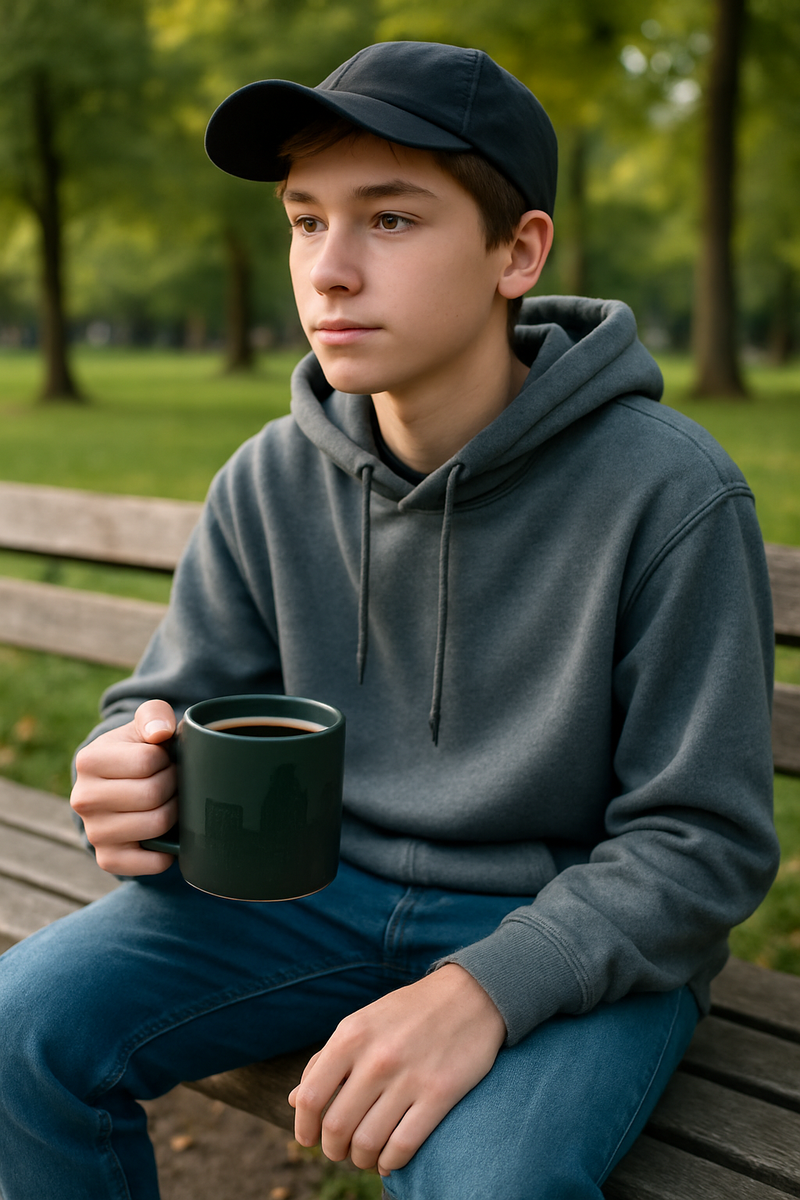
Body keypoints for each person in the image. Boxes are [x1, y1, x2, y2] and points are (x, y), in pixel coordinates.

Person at [0, 41, 779, 1200]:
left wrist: (483, 991)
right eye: (305, 221)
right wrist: (134, 770)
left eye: (391, 220)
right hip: (310, 894)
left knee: (486, 1182)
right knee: (22, 1030)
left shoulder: (668, 495)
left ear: (516, 252)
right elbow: (173, 703)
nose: (329, 271)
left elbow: (699, 842)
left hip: (561, 926)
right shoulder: (269, 478)